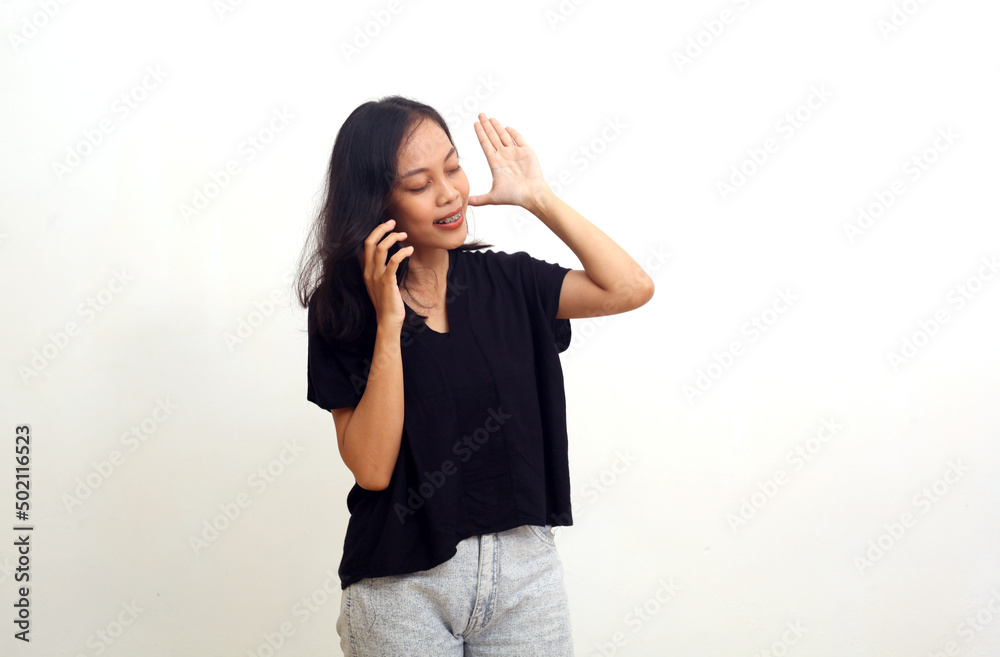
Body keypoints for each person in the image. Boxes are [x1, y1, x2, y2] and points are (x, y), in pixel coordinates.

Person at [295, 95, 654, 656]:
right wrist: (389, 325)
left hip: (524, 577)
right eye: (419, 183)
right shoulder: (345, 309)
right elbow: (370, 468)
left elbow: (629, 288)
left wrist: (538, 198)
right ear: (377, 202)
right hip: (402, 586)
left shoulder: (507, 283)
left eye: (454, 166)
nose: (449, 193)